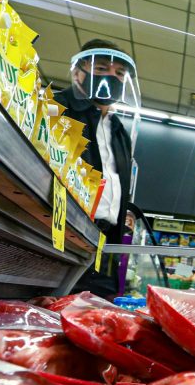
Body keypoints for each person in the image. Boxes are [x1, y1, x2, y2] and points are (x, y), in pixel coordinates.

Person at [56, 38, 137, 298]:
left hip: (107, 245)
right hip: (63, 239)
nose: (111, 77)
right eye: (101, 68)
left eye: (120, 73)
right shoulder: (57, 108)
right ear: (78, 72)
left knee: (97, 315)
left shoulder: (119, 131)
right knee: (50, 309)